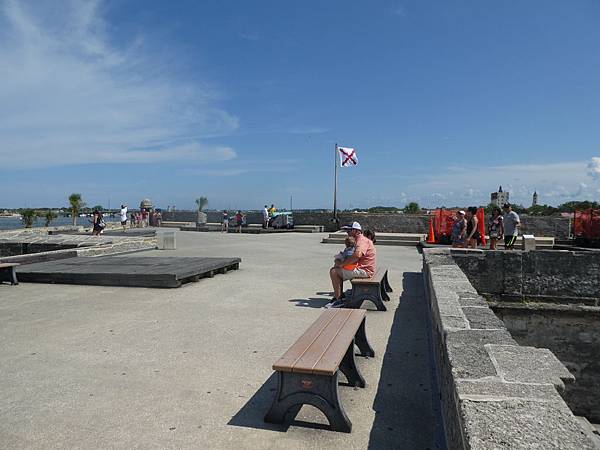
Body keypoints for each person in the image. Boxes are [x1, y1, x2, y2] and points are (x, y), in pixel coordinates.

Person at [328, 222, 376, 308]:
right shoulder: (359, 240)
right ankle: (339, 296)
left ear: (357, 231)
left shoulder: (361, 240)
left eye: (349, 230)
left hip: (365, 271)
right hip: (364, 268)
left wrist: (342, 264)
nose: (347, 232)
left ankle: (339, 300)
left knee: (334, 272)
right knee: (337, 269)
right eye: (347, 230)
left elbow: (357, 255)